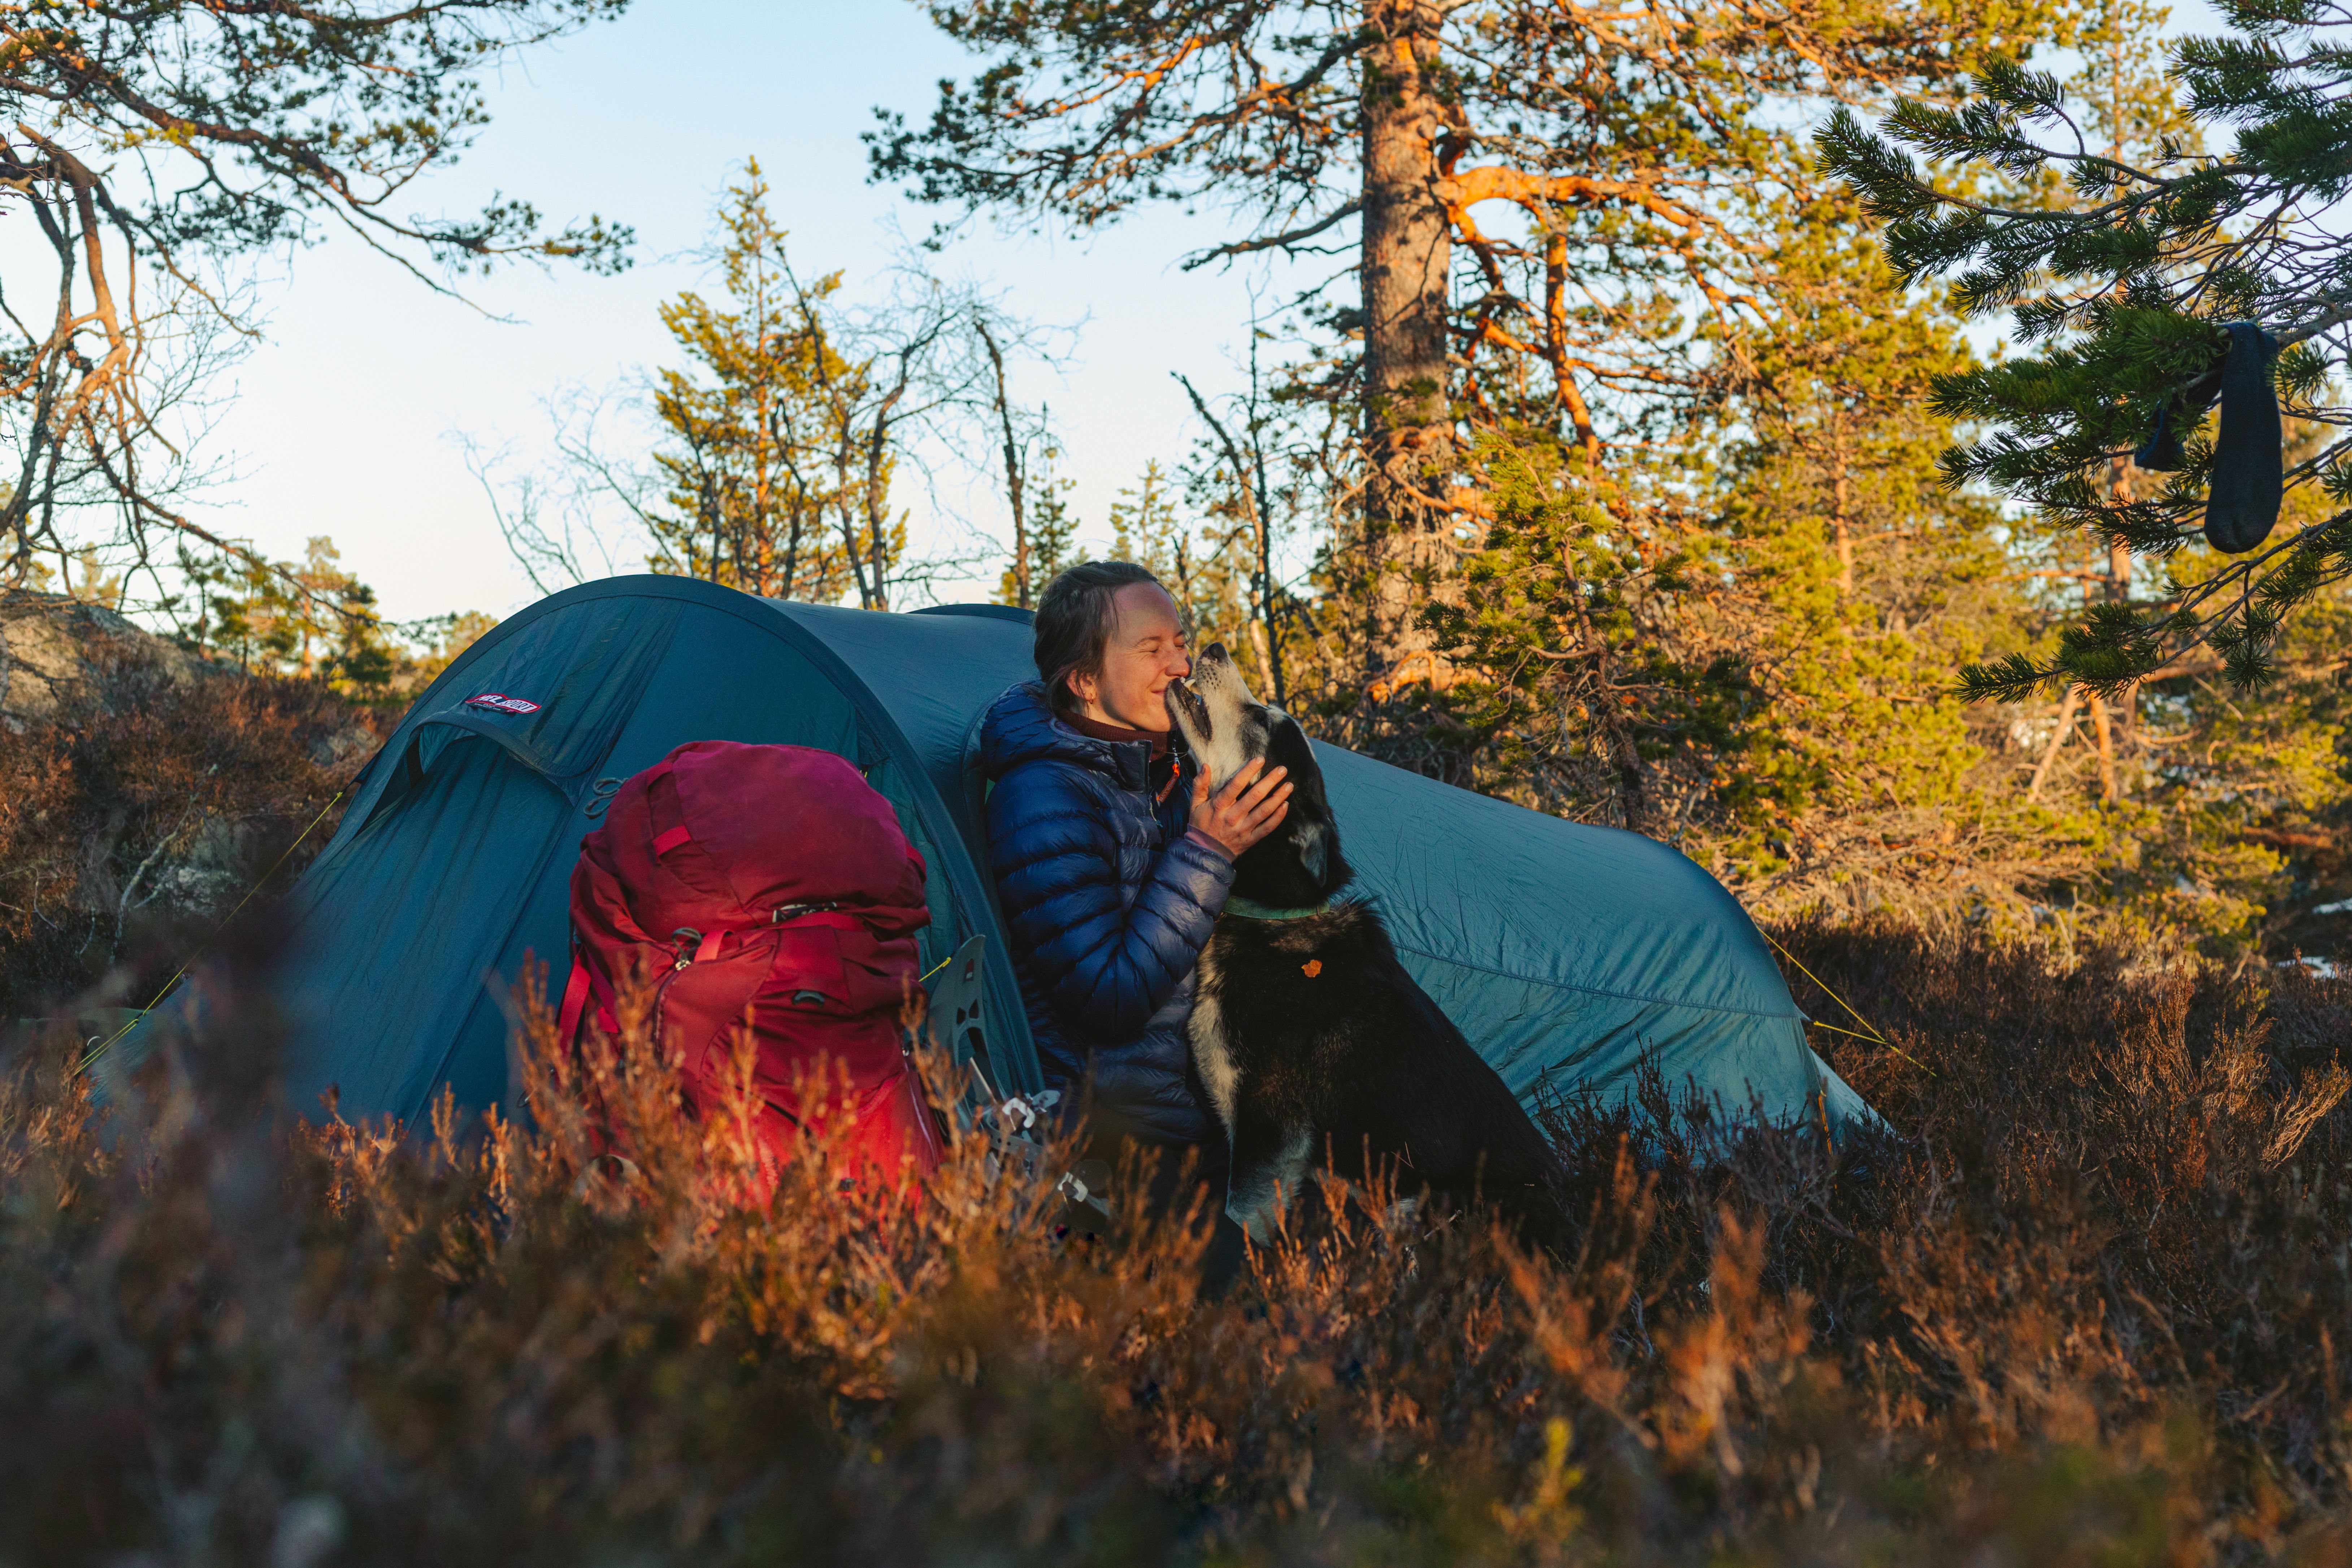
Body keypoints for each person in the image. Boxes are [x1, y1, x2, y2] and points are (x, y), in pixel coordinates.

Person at [978, 561, 1293, 1219]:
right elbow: (1107, 996)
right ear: (1085, 681)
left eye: (1178, 642)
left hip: (1206, 1120)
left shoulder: (1167, 769)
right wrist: (1209, 851)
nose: (1178, 665)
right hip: (1118, 1146)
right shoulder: (1043, 798)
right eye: (1151, 650)